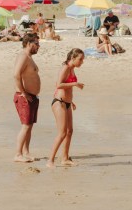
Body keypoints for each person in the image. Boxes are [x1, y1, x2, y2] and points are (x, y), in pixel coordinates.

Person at [47, 47, 85, 167]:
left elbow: (66, 86)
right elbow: (59, 84)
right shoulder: (65, 67)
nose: (82, 62)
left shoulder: (72, 69)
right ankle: (50, 161)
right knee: (62, 133)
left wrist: (71, 101)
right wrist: (75, 83)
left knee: (70, 131)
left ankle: (65, 158)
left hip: (67, 103)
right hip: (59, 102)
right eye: (80, 59)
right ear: (72, 58)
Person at [12, 32, 41, 163]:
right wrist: (23, 93)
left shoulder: (28, 57)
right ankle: (18, 154)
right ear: (29, 43)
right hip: (24, 97)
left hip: (32, 97)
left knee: (29, 126)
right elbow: (16, 75)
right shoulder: (23, 56)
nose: (39, 46)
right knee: (25, 126)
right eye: (36, 44)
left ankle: (26, 152)